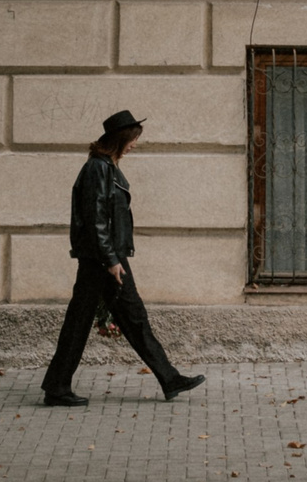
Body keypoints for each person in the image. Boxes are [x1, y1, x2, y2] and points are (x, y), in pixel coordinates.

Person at [40, 110, 204, 406]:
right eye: (133, 139)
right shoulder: (98, 169)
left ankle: (167, 378)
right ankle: (58, 387)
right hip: (103, 260)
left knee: (110, 319)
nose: (135, 145)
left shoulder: (107, 167)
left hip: (103, 257)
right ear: (120, 139)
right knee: (115, 319)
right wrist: (111, 260)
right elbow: (96, 219)